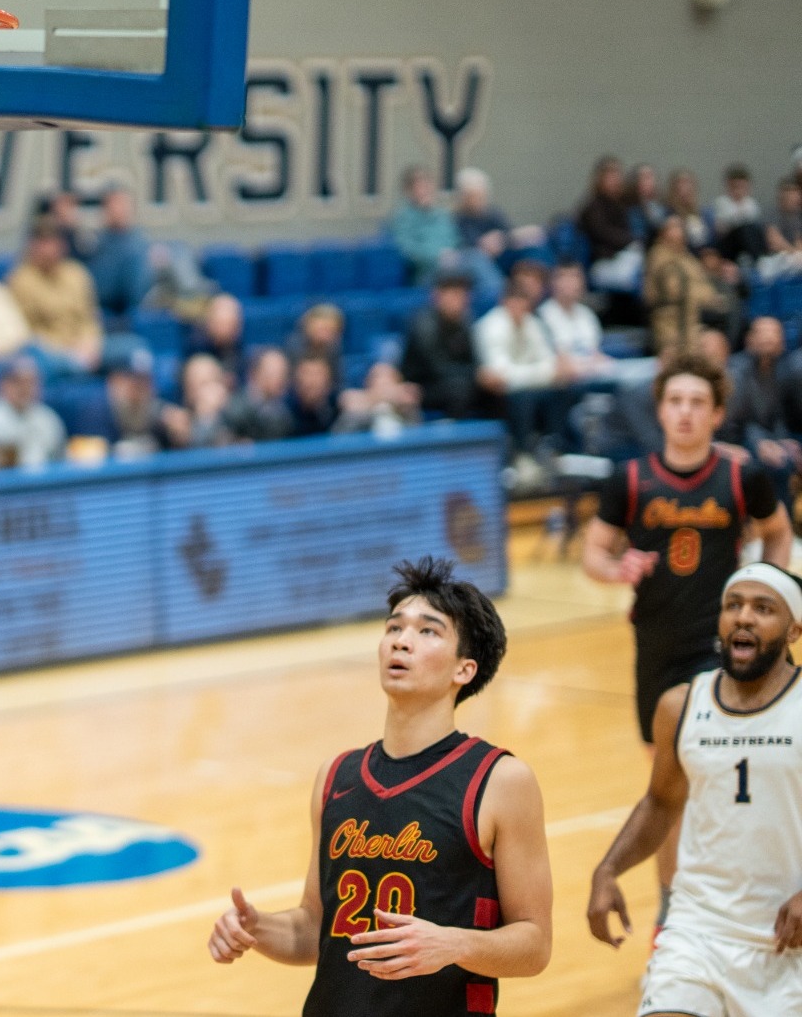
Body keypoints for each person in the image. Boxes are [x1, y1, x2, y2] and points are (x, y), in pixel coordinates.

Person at [208, 557, 552, 1013]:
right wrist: (255, 928)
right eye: (394, 628)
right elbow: (314, 927)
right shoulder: (336, 776)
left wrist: (453, 945)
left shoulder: (500, 781)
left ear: (464, 670)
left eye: (428, 631)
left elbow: (534, 944)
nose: (402, 642)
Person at [582, 351, 792, 924]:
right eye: (675, 401)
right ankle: (673, 912)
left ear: (718, 412)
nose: (685, 412)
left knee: (727, 776)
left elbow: (778, 531)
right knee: (668, 785)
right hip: (656, 645)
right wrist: (615, 570)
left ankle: (750, 895)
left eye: (698, 402)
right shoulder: (629, 479)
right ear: (660, 409)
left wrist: (768, 586)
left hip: (724, 650)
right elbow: (594, 552)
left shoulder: (742, 475)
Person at [587, 563, 802, 1014]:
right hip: (698, 929)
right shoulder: (681, 705)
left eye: (763, 608)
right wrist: (607, 870)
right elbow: (661, 803)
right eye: (733, 605)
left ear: (794, 629)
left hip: (789, 938)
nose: (743, 617)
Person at [473, 276, 576, 471]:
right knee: (522, 398)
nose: (520, 308)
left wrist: (545, 373)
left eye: (524, 302)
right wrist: (545, 373)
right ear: (504, 301)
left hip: (530, 388)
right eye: (515, 301)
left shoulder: (532, 323)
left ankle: (555, 448)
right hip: (496, 395)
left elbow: (550, 361)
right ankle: (522, 456)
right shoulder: (490, 326)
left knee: (562, 390)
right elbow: (502, 376)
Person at [6, 221, 102, 374]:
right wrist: (67, 349)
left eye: (53, 243)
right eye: (43, 243)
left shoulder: (77, 273)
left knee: (132, 350)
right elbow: (27, 331)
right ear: (33, 246)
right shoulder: (21, 280)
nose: (49, 250)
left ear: (62, 246)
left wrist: (90, 343)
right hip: (49, 351)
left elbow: (89, 319)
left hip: (84, 346)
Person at [726, 317, 802, 501]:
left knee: (791, 456)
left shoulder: (781, 371)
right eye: (763, 333)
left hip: (766, 437)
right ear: (749, 340)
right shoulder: (736, 371)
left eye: (775, 333)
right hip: (736, 439)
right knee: (778, 465)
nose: (769, 338)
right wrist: (760, 443)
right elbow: (737, 424)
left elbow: (777, 416)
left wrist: (784, 439)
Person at [400, 274, 481, 420]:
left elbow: (474, 360)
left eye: (463, 295)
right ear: (438, 297)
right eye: (455, 295)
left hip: (456, 381)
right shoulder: (424, 325)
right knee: (459, 389)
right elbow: (437, 368)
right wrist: (475, 376)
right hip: (422, 386)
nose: (461, 300)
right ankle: (454, 436)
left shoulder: (465, 321)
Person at [646, 214, 722, 363]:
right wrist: (706, 297)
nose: (678, 231)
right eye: (673, 227)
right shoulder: (658, 255)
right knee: (674, 364)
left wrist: (709, 297)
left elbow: (705, 285)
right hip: (670, 322)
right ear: (663, 232)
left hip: (693, 319)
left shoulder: (687, 256)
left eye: (680, 227)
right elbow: (674, 289)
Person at [0, 355, 67, 469]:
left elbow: (58, 459)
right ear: (3, 384)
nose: (25, 388)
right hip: (2, 483)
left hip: (44, 483)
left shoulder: (48, 418)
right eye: (18, 381)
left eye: (30, 382)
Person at [536, 263, 613, 381]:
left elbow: (596, 353)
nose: (569, 283)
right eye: (563, 277)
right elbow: (554, 362)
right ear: (553, 283)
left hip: (591, 375)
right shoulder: (542, 316)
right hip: (561, 383)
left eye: (574, 277)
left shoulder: (587, 314)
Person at [453, 167, 544, 265]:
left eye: (481, 196)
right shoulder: (458, 219)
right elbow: (463, 245)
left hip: (502, 254)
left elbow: (510, 232)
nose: (477, 201)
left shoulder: (493, 213)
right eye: (472, 196)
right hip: (476, 259)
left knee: (534, 249)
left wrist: (502, 238)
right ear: (462, 198)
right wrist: (483, 244)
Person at [580, 157, 642, 299]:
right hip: (604, 263)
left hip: (626, 257)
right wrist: (631, 240)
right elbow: (602, 233)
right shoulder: (592, 207)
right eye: (609, 175)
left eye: (617, 175)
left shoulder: (624, 205)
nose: (614, 180)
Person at [87, 187, 150, 316]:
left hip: (136, 307)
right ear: (105, 209)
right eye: (114, 204)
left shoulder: (138, 241)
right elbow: (99, 288)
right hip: (106, 308)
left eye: (123, 204)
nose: (119, 210)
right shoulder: (95, 243)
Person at [163, 354, 239, 450]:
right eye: (199, 385)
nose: (206, 393)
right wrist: (206, 418)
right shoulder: (179, 425)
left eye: (209, 383)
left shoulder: (239, 414)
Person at [224, 348, 296, 442]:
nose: (279, 379)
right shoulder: (234, 409)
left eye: (283, 374)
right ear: (254, 373)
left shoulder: (286, 412)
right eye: (273, 373)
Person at [105, 350, 167, 458]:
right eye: (132, 382)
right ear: (114, 381)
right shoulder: (98, 413)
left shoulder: (162, 414)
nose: (138, 390)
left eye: (144, 382)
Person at [711, 163, 768, 267]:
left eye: (741, 187)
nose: (738, 191)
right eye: (735, 187)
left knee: (754, 229)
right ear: (729, 186)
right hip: (729, 245)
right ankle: (759, 262)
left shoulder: (752, 204)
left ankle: (759, 259)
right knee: (744, 229)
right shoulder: (721, 203)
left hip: (747, 244)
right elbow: (719, 231)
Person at [188, 292, 246, 380]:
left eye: (230, 324)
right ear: (209, 323)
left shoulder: (242, 355)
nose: (226, 330)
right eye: (221, 324)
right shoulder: (194, 349)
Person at [287, 304, 346, 388]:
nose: (324, 334)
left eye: (330, 330)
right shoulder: (293, 346)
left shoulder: (333, 350)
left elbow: (338, 381)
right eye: (322, 329)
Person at [289, 356, 340, 438]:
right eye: (306, 374)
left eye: (317, 375)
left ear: (329, 383)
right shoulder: (285, 416)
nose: (311, 381)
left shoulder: (338, 408)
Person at [664, 169, 713, 251]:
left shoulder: (706, 213)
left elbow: (713, 240)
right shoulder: (668, 215)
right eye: (680, 185)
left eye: (688, 184)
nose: (685, 189)